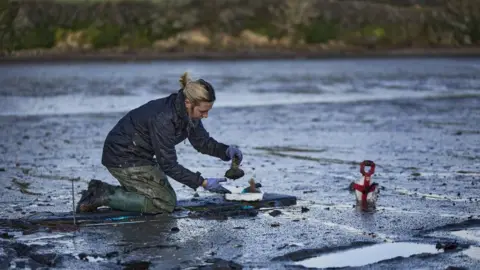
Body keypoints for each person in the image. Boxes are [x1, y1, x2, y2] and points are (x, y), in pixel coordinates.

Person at [76, 72, 243, 214]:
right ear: (188, 103)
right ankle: (102, 194)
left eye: (208, 111)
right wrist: (203, 183)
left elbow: (202, 143)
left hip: (141, 156)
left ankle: (122, 191)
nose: (205, 116)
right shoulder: (164, 119)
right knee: (165, 203)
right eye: (203, 111)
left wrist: (226, 151)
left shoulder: (188, 114)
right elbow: (168, 164)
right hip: (122, 157)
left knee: (165, 196)